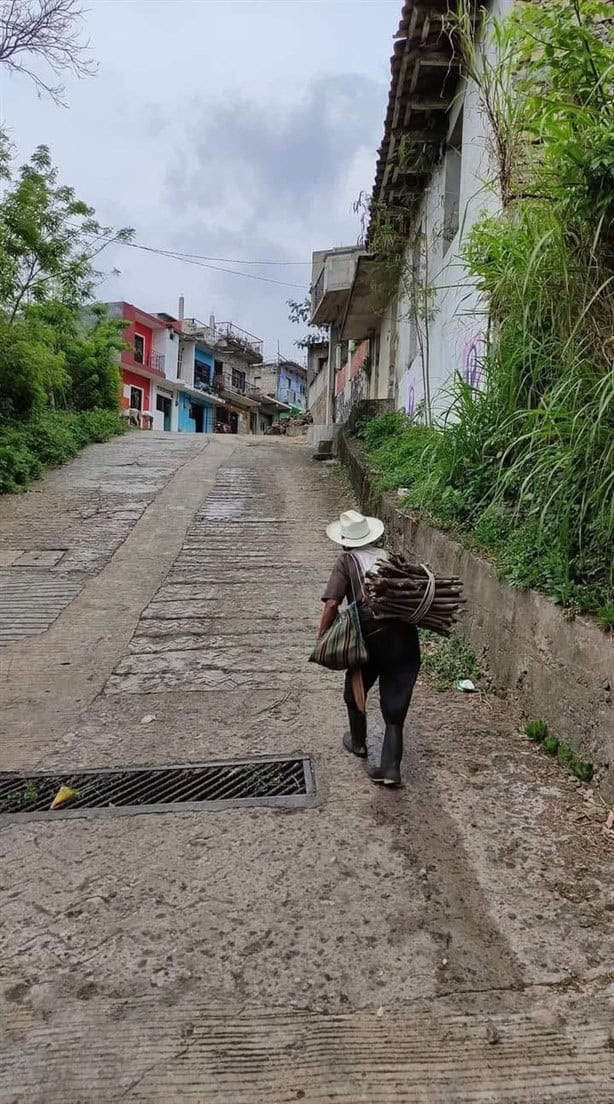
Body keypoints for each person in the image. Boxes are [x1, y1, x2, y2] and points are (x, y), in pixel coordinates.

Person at [318, 510, 421, 786]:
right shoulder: (389, 557)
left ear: (345, 541)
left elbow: (331, 603)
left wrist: (322, 637)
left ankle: (358, 741)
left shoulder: (346, 561)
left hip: (371, 635)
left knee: (355, 688)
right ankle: (390, 767)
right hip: (404, 634)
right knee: (395, 699)